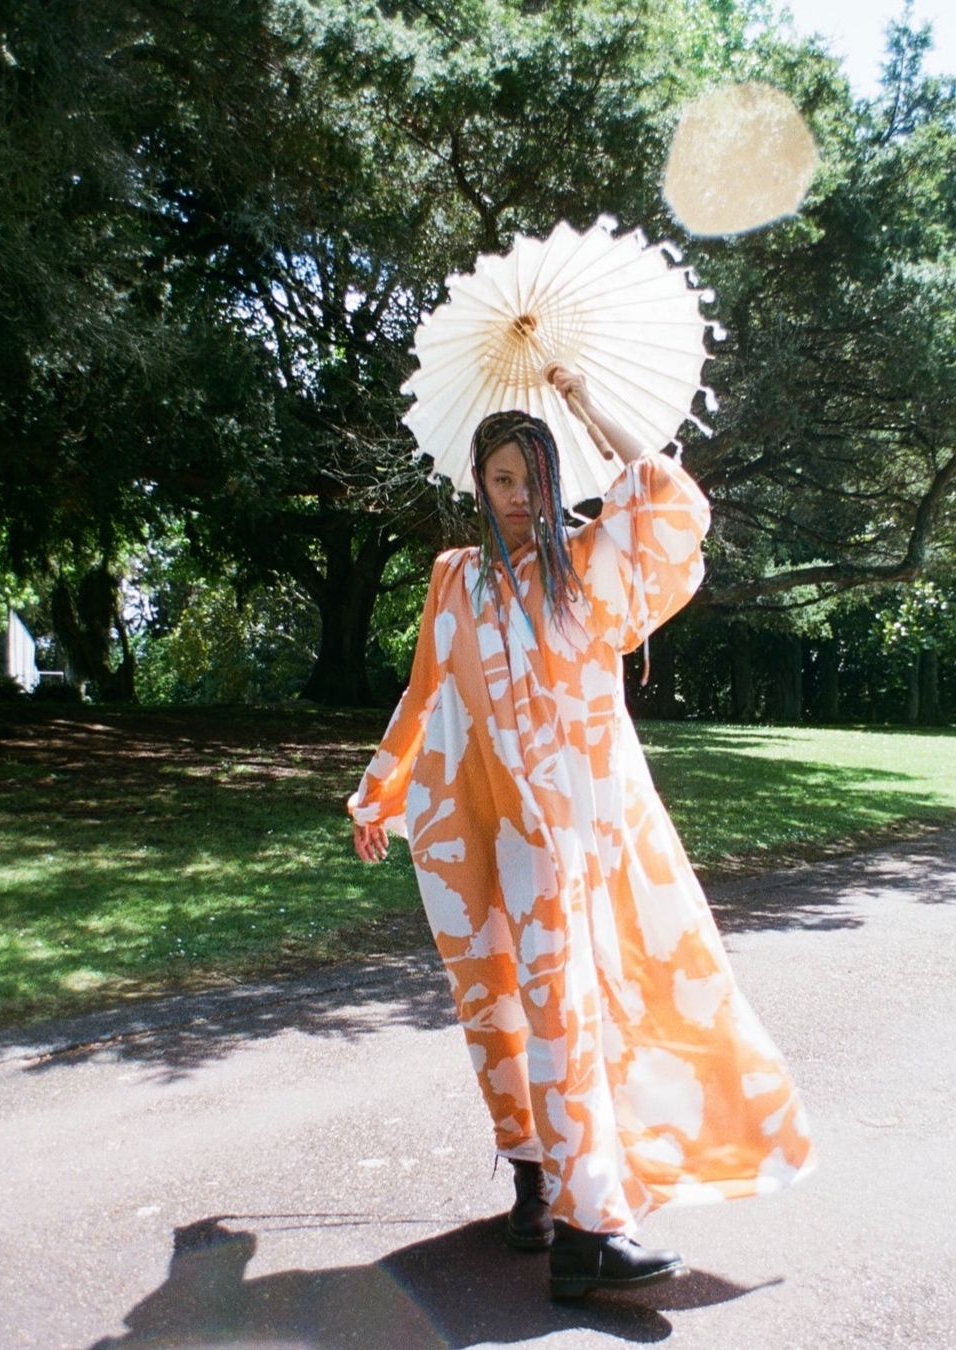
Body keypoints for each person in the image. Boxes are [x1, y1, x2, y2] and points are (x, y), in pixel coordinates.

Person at [349, 368, 814, 1299]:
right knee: (499, 1004)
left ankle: (588, 1224)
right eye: (503, 481)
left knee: (584, 1003)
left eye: (534, 478)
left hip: (583, 830)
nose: (520, 498)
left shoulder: (591, 561)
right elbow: (426, 688)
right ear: (479, 485)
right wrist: (379, 788)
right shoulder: (456, 579)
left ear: (558, 480)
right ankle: (538, 1182)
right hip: (488, 829)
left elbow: (671, 499)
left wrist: (591, 404)